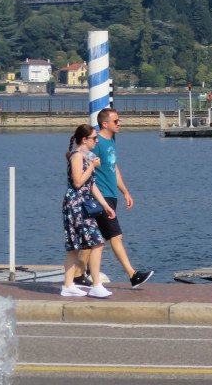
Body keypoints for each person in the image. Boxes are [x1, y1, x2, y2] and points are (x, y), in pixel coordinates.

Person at [80, 107, 153, 288]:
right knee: (115, 235)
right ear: (105, 124)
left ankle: (78, 274)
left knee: (94, 240)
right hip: (99, 197)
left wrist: (125, 191)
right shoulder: (97, 142)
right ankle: (132, 275)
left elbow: (114, 167)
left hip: (111, 196)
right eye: (116, 121)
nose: (119, 123)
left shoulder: (111, 140)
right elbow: (81, 157)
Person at [61, 124, 114, 298]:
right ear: (84, 139)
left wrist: (105, 205)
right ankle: (95, 284)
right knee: (95, 242)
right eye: (94, 138)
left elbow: (91, 185)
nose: (96, 141)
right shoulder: (77, 156)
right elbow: (77, 182)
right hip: (76, 205)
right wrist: (91, 166)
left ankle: (68, 285)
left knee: (78, 246)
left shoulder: (87, 156)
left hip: (83, 204)